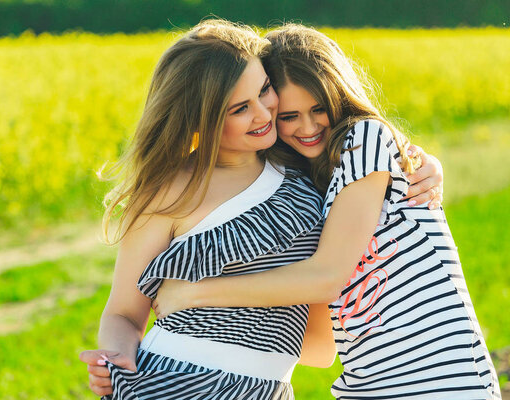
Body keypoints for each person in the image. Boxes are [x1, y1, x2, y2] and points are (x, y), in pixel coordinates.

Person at [79, 20, 445, 399]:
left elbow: (320, 349)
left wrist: (423, 162)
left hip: (268, 389)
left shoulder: (304, 170)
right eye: (240, 109)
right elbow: (122, 314)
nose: (264, 114)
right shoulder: (169, 190)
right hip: (173, 383)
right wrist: (116, 355)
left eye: (265, 90)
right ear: (200, 118)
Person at [153, 25, 501, 399]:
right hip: (369, 387)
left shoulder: (364, 139)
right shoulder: (312, 185)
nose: (308, 127)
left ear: (339, 94)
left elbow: (327, 277)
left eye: (319, 108)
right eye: (288, 116)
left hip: (446, 383)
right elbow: (321, 348)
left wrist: (193, 295)